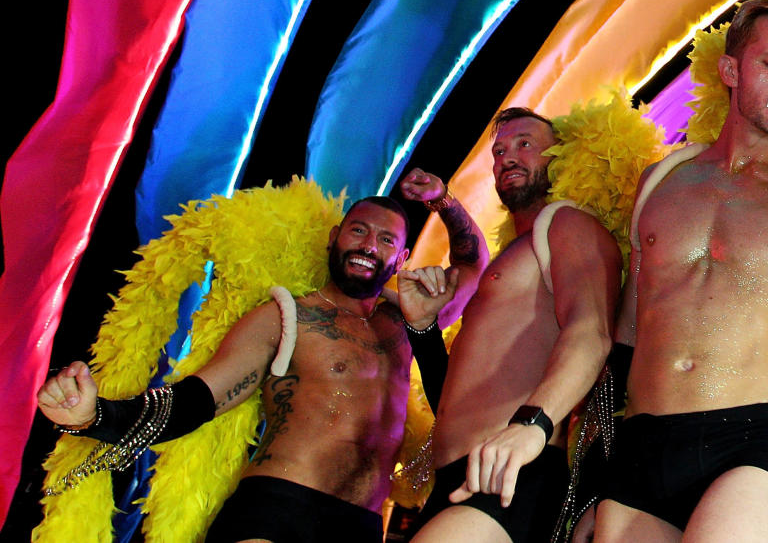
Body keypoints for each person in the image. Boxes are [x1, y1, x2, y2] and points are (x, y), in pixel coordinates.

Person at [36, 187, 485, 542]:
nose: (369, 245)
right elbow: (197, 400)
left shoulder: (411, 321)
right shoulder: (287, 314)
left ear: (403, 258)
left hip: (363, 524)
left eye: (386, 239)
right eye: (358, 231)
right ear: (334, 237)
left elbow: (472, 263)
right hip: (277, 510)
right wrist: (94, 417)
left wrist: (443, 200)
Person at [595, 0, 768, 543]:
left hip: (756, 440)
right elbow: (625, 334)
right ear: (730, 70)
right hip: (643, 441)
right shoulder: (661, 183)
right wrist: (588, 467)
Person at [412, 108, 622, 543]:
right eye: (499, 151)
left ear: (560, 155)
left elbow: (592, 334)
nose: (507, 157)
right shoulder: (512, 253)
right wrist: (422, 330)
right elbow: (456, 401)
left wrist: (533, 426)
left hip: (514, 475)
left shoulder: (567, 224)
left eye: (525, 144)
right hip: (459, 479)